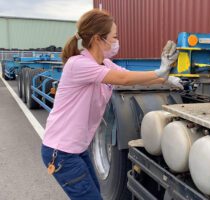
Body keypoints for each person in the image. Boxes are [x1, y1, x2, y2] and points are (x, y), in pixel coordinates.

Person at [41, 9, 181, 199]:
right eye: (114, 37)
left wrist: (166, 79)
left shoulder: (104, 64)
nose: (116, 41)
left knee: (95, 194)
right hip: (62, 152)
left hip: (76, 149)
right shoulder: (78, 65)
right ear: (98, 39)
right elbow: (122, 78)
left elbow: (132, 78)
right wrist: (161, 72)